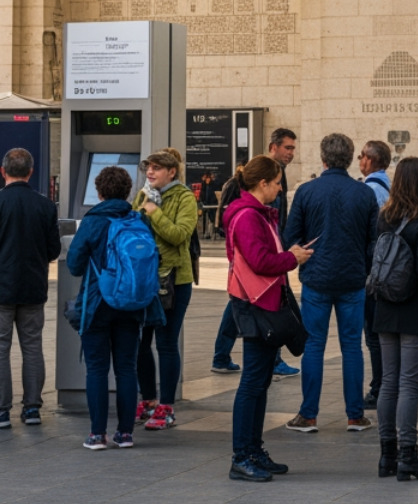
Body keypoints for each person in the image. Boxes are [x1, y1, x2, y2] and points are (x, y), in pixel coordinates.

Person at [282, 132, 379, 433]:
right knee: (352, 346)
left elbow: (290, 237)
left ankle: (308, 415)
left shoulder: (307, 191)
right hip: (352, 279)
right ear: (350, 159)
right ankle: (355, 415)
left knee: (313, 346)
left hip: (316, 278)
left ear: (323, 159)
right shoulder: (364, 193)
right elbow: (373, 241)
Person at [226, 155, 312, 481]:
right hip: (256, 304)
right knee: (252, 384)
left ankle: (253, 450)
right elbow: (261, 261)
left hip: (260, 302)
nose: (279, 188)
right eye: (277, 182)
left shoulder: (255, 213)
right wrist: (292, 257)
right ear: (262, 183)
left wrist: (288, 254)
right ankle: (241, 456)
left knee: (259, 382)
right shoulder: (248, 215)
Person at [67, 163, 165, 449]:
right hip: (132, 304)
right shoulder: (138, 220)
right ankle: (125, 434)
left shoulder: (93, 221)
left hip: (97, 303)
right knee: (126, 368)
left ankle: (97, 434)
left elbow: (74, 265)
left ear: (98, 192)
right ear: (127, 192)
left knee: (97, 369)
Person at [0, 147, 63, 430]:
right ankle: (32, 408)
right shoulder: (45, 206)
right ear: (30, 172)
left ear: (2, 171)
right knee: (32, 348)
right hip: (33, 288)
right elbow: (53, 250)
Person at [372, 156, 418, 481]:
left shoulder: (385, 217)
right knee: (410, 385)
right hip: (415, 308)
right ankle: (408, 456)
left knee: (388, 382)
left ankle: (386, 456)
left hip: (385, 305)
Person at [213, 128, 301, 378]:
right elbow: (260, 258)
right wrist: (290, 256)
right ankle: (270, 360)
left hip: (258, 263)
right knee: (255, 308)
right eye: (288, 147)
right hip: (260, 265)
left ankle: (223, 355)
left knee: (238, 304)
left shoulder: (268, 177)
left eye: (293, 148)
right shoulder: (261, 183)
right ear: (273, 147)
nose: (291, 153)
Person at [134, 149, 198, 431]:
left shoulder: (184, 197)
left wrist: (154, 213)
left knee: (166, 343)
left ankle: (167, 406)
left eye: (157, 168)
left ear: (172, 172)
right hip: (145, 277)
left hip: (174, 280)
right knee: (140, 342)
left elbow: (178, 235)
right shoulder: (143, 194)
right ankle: (148, 400)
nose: (150, 172)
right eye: (149, 167)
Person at [359, 139, 393, 408]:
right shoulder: (388, 185)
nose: (359, 161)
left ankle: (379, 386)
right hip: (387, 268)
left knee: (373, 334)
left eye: (362, 157)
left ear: (369, 160)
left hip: (372, 268)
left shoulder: (370, 189)